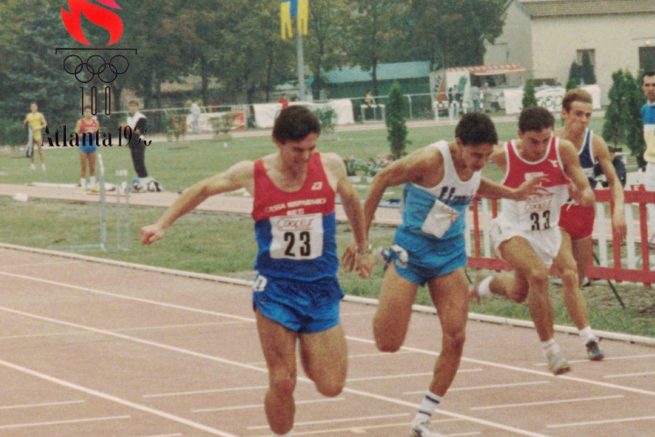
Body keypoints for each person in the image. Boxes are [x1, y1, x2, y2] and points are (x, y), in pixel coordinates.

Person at [140, 106, 373, 437]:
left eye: (311, 148)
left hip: (321, 289)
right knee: (283, 381)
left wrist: (362, 247)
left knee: (331, 385)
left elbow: (350, 199)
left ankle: (309, 346)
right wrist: (162, 224)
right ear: (278, 142)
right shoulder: (253, 173)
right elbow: (202, 189)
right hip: (276, 290)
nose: (306, 157)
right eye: (297, 150)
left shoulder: (330, 165)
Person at [342, 113, 545, 437]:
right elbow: (381, 179)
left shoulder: (475, 165)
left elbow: (475, 184)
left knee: (456, 337)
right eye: (475, 155)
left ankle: (423, 419)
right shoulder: (429, 160)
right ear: (458, 143)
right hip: (410, 253)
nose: (481, 163)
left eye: (486, 156)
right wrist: (362, 242)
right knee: (387, 342)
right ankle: (385, 258)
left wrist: (514, 193)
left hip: (448, 258)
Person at [470, 107, 595, 375]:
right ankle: (552, 351)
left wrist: (582, 194)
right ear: (520, 135)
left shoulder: (563, 151)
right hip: (511, 229)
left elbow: (586, 189)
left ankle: (486, 283)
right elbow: (468, 165)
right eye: (533, 141)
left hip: (547, 233)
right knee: (539, 276)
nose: (539, 148)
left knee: (519, 292)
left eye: (545, 140)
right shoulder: (504, 154)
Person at [553, 89, 626, 361]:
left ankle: (491, 285)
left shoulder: (594, 143)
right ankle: (589, 338)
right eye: (577, 114)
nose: (583, 120)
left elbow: (614, 181)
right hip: (556, 217)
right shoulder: (552, 142)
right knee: (569, 274)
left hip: (583, 218)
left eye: (587, 115)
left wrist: (618, 210)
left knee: (579, 279)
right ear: (564, 113)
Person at [123, 100, 153, 191]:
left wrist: (127, 128)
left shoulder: (141, 117)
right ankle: (141, 182)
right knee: (136, 165)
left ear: (137, 107)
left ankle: (146, 182)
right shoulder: (129, 118)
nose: (132, 108)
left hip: (139, 142)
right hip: (132, 143)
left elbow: (138, 131)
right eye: (131, 106)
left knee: (140, 164)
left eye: (134, 106)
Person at [641, 71, 655, 242]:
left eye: (654, 85)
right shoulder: (644, 109)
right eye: (647, 85)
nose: (651, 88)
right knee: (651, 200)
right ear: (642, 87)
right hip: (651, 163)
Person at [74, 105, 100, 191]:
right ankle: (82, 185)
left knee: (92, 167)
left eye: (89, 112)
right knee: (83, 167)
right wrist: (85, 133)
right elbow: (76, 134)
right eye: (86, 112)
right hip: (84, 145)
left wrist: (95, 133)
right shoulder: (80, 122)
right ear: (84, 113)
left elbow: (98, 133)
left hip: (92, 145)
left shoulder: (95, 122)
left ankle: (92, 185)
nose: (88, 113)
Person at [23, 102, 47, 171]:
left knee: (40, 150)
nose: (33, 108)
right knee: (32, 150)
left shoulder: (40, 115)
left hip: (38, 134)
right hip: (31, 135)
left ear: (37, 108)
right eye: (32, 107)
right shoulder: (28, 115)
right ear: (30, 108)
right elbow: (25, 122)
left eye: (34, 107)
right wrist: (25, 123)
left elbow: (45, 124)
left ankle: (43, 164)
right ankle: (32, 165)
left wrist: (38, 128)